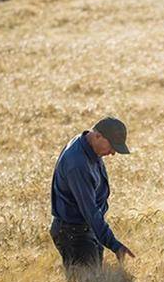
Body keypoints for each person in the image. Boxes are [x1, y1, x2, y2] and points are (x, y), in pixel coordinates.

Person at [50, 116, 135, 271]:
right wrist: (114, 245)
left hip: (87, 230)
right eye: (112, 146)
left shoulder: (88, 145)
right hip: (74, 236)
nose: (113, 153)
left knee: (96, 280)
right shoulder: (77, 164)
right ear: (98, 136)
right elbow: (90, 211)